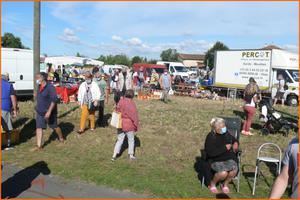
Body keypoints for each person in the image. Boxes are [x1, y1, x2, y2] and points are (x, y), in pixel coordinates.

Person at [204, 118, 239, 194]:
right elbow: (210, 153)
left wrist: (236, 142)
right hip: (215, 160)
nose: (224, 128)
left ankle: (225, 184)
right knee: (223, 173)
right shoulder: (211, 137)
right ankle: (212, 184)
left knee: (234, 170)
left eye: (224, 126)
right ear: (216, 128)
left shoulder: (226, 133)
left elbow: (233, 139)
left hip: (228, 158)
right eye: (222, 127)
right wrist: (224, 148)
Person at [33, 72, 65, 151]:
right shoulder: (39, 86)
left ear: (43, 78)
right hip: (40, 111)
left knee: (54, 126)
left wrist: (49, 111)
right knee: (39, 127)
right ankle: (39, 146)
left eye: (38, 78)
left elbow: (54, 100)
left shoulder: (50, 87)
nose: (36, 79)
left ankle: (61, 137)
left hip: (49, 111)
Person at [112, 89, 139, 161]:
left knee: (119, 140)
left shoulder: (121, 101)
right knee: (131, 140)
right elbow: (134, 115)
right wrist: (136, 125)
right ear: (132, 96)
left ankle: (114, 155)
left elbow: (117, 109)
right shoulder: (131, 104)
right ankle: (131, 155)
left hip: (120, 123)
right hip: (129, 124)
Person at [1, 73, 18, 150]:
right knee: (7, 128)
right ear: (6, 78)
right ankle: (8, 145)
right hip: (4, 108)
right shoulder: (8, 85)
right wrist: (14, 109)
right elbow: (13, 98)